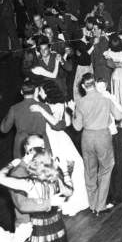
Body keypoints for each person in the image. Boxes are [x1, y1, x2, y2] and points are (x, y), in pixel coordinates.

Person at [0, 148, 75, 242]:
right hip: (58, 228)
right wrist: (65, 171)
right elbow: (70, 191)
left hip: (39, 233)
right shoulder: (56, 180)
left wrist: (11, 164)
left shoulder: (28, 184)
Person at [5, 135, 65, 242]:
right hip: (27, 228)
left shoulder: (43, 167)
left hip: (45, 226)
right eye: (37, 148)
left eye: (42, 147)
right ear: (27, 150)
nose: (41, 151)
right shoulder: (18, 172)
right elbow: (22, 204)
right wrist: (49, 202)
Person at [30, 82, 90, 216]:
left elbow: (56, 124)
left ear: (48, 92)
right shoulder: (49, 104)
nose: (39, 93)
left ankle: (73, 202)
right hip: (54, 138)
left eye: (41, 91)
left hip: (56, 139)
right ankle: (64, 200)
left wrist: (42, 111)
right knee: (61, 171)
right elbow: (65, 122)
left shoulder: (54, 105)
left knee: (67, 168)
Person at [73, 73, 122, 214]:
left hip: (87, 137)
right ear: (94, 83)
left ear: (83, 86)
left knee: (90, 171)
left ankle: (92, 204)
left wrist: (73, 112)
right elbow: (119, 116)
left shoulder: (80, 102)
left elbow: (77, 127)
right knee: (106, 169)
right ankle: (100, 205)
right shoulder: (105, 99)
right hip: (103, 136)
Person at [0, 81, 60, 158]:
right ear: (35, 91)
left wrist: (6, 116)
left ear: (21, 92)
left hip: (22, 147)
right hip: (41, 144)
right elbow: (55, 126)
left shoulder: (14, 108)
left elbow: (4, 129)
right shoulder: (44, 107)